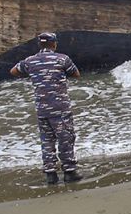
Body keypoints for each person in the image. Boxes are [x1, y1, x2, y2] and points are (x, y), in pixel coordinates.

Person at [10, 32, 83, 185]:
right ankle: (69, 172)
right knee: (66, 138)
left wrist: (34, 74)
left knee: (47, 140)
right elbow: (76, 74)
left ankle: (50, 175)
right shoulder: (62, 59)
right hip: (60, 107)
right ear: (54, 44)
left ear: (39, 44)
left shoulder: (30, 61)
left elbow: (13, 71)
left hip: (42, 108)